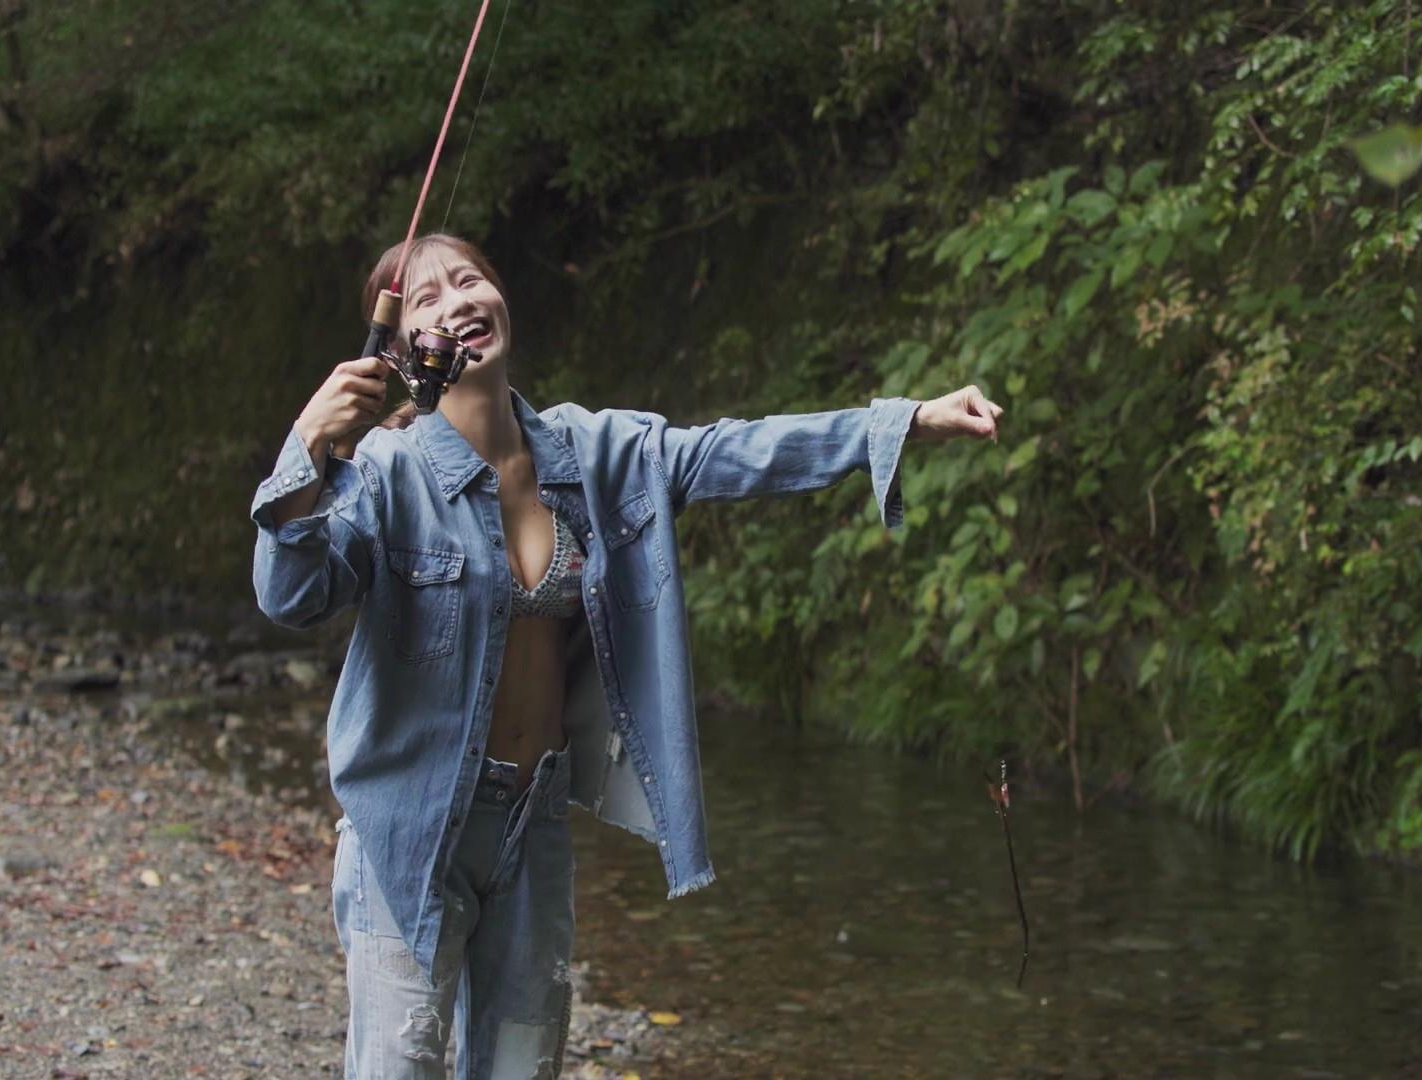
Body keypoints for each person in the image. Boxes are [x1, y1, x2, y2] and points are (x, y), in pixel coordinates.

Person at [250, 233, 1003, 1079]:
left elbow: (736, 451)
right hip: (406, 829)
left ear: (500, 298)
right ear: (398, 352)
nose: (458, 303)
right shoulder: (386, 472)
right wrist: (308, 445)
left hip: (532, 825)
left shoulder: (593, 453)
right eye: (426, 299)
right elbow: (292, 595)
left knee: (524, 1067)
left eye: (470, 282)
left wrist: (905, 421)